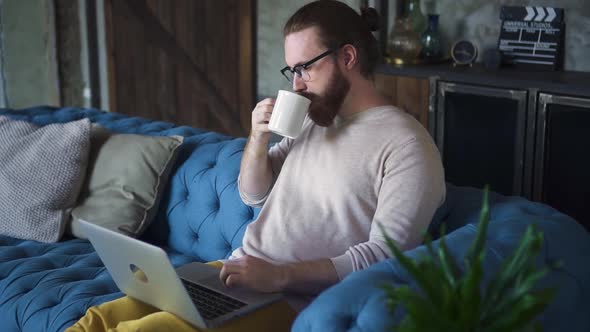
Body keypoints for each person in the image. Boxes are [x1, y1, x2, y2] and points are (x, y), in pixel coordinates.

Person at [68, 1, 445, 331]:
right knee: (96, 322)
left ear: (347, 57)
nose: (296, 85)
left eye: (305, 68)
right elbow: (253, 192)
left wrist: (278, 275)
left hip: (293, 300)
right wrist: (258, 137)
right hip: (234, 275)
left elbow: (383, 258)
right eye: (291, 71)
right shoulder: (315, 121)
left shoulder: (406, 145)